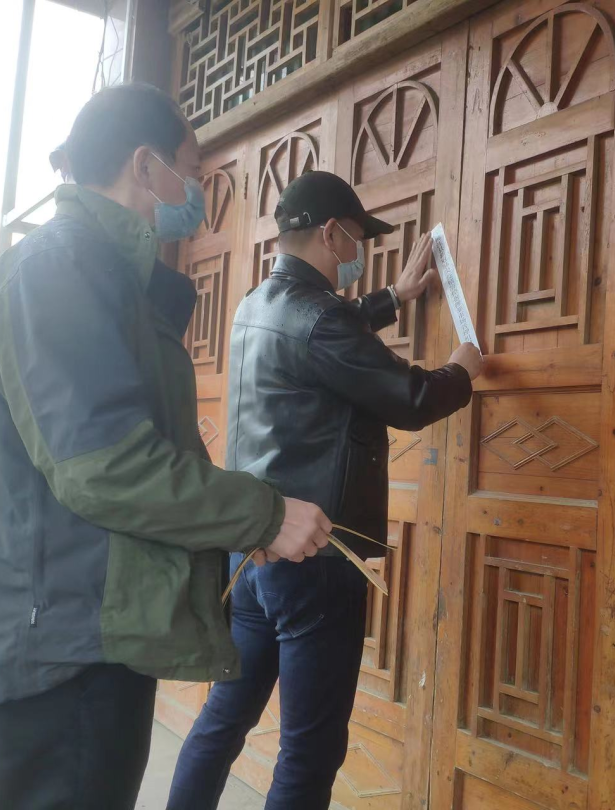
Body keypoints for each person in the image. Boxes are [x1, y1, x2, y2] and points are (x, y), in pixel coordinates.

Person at [0, 83, 331, 810]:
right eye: (194, 171)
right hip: (59, 642)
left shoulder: (105, 275)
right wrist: (264, 514)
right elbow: (104, 465)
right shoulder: (57, 269)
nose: (201, 194)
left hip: (92, 628)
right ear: (146, 166)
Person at [167, 171, 484, 809]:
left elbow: (321, 335)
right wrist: (463, 368)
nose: (357, 254)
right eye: (357, 239)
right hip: (315, 559)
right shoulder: (319, 318)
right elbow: (411, 397)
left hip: (252, 551)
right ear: (332, 234)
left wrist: (392, 298)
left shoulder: (253, 305)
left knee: (223, 722)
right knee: (308, 754)